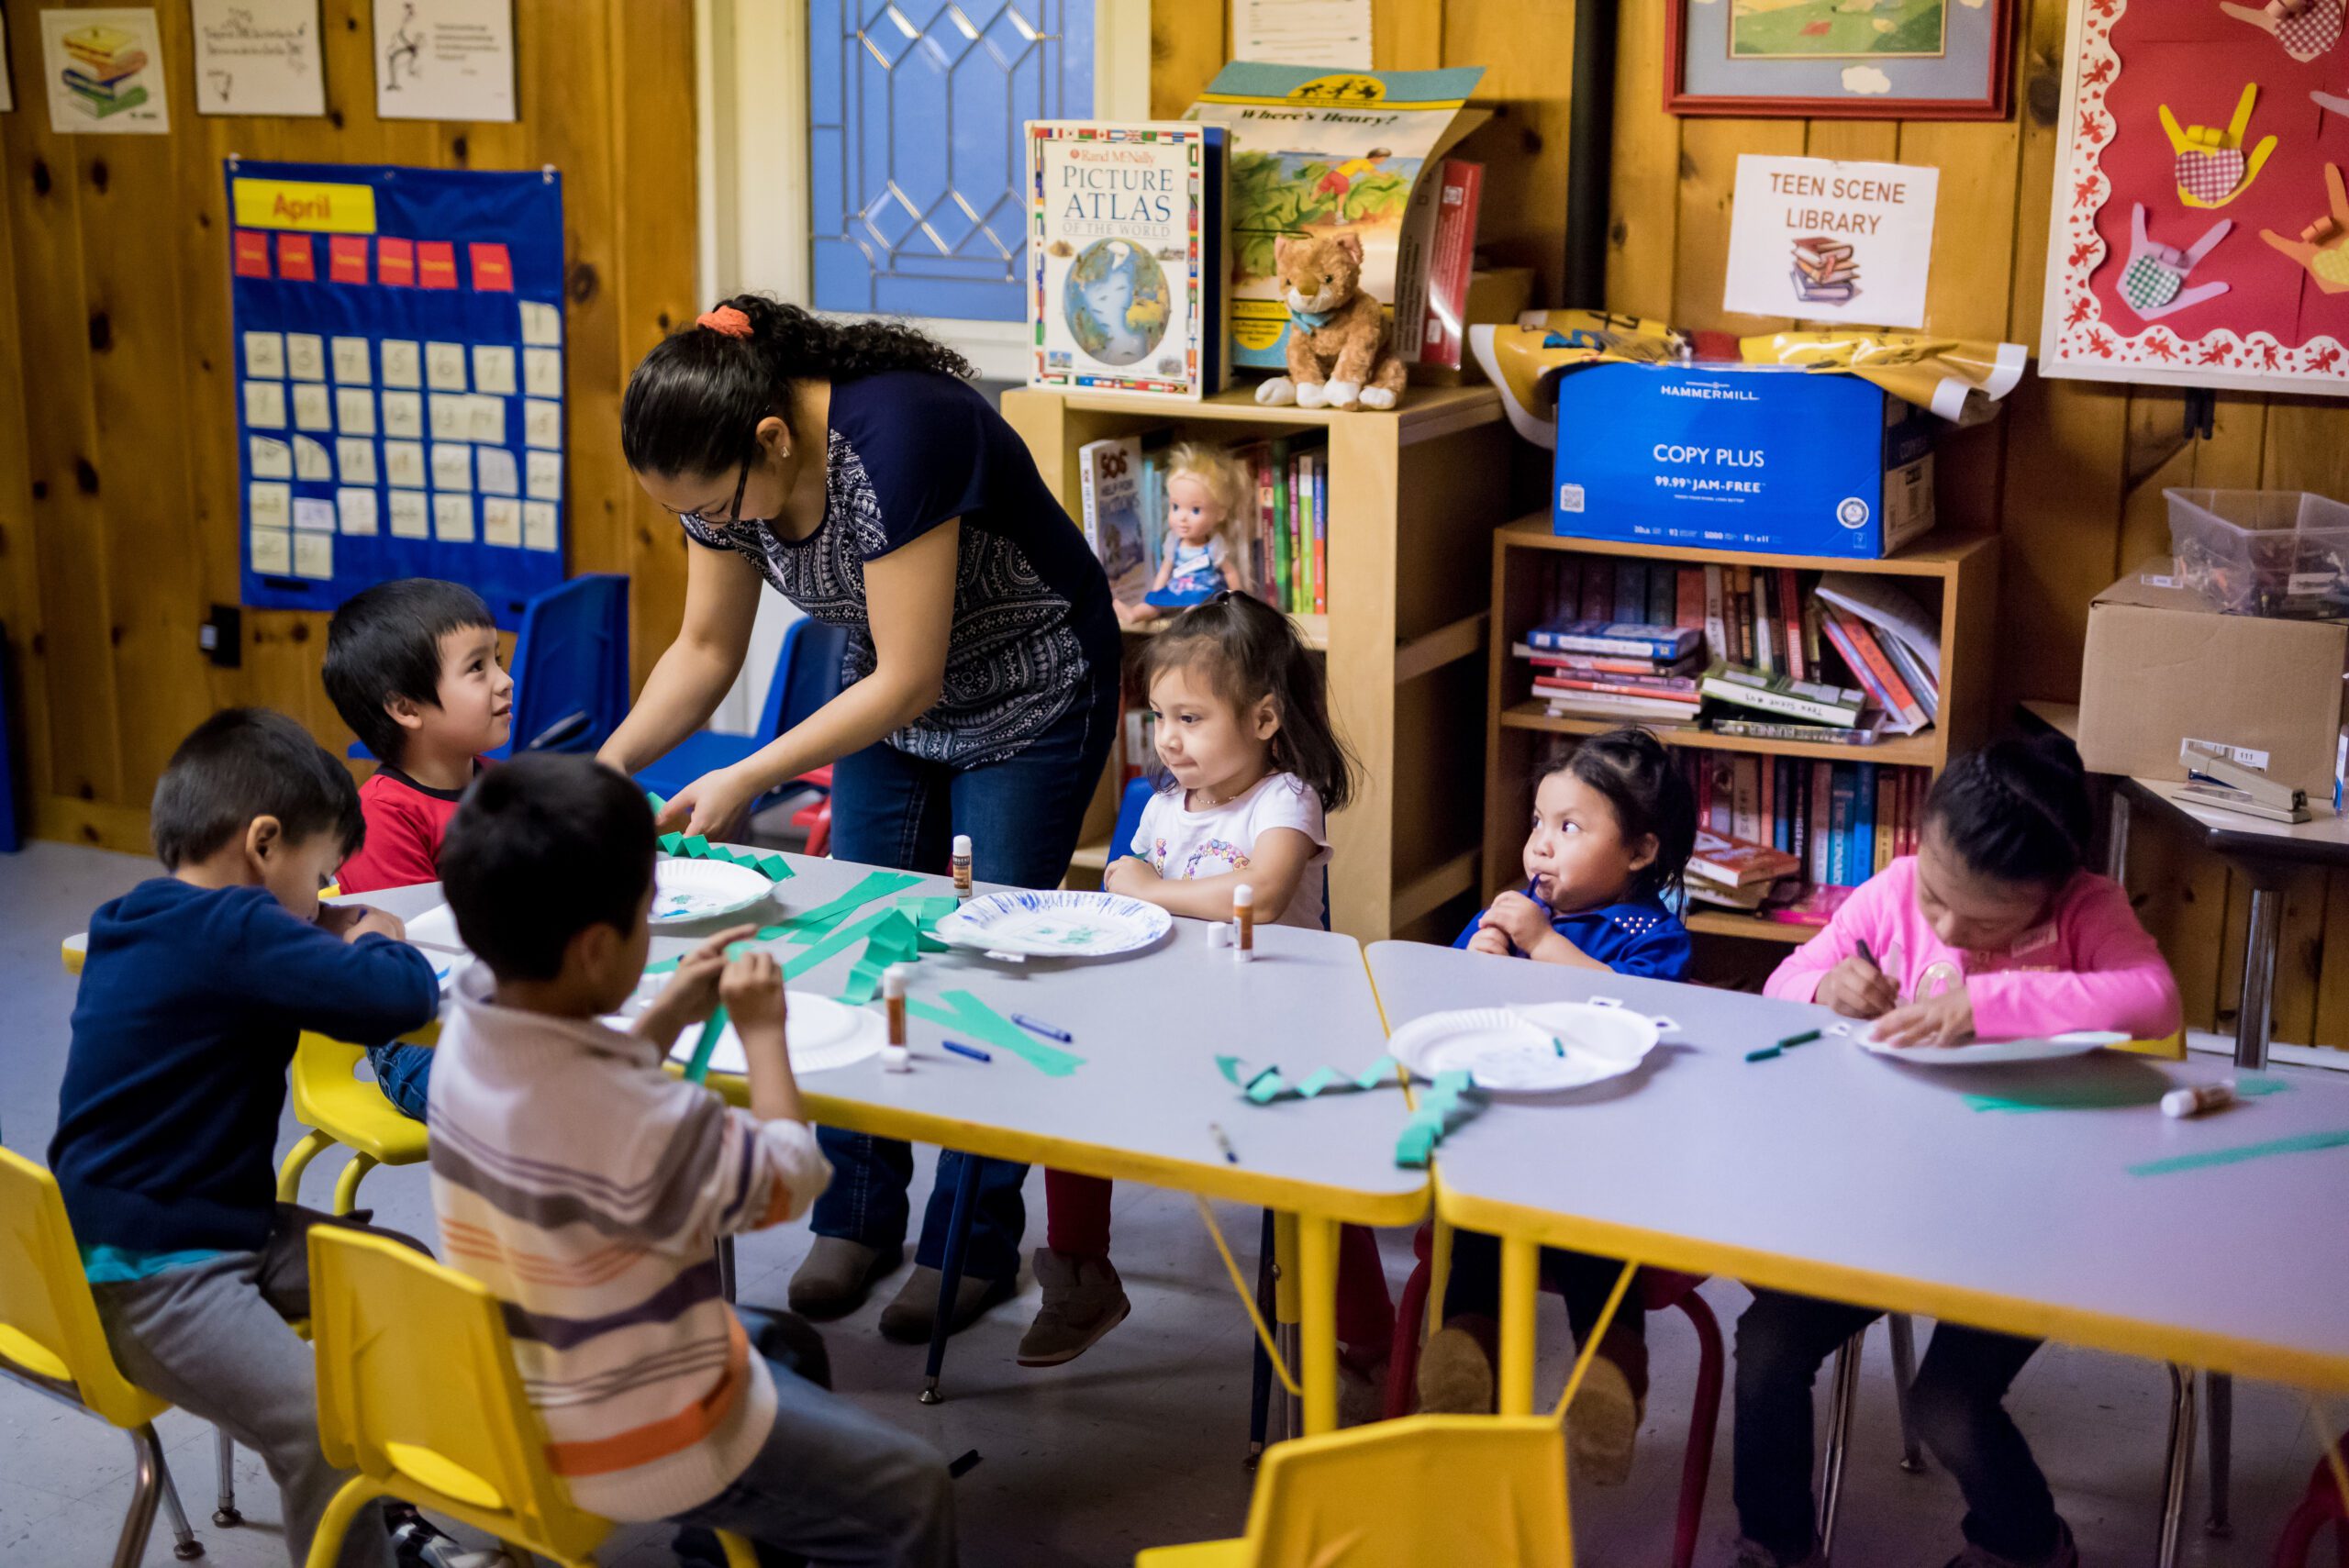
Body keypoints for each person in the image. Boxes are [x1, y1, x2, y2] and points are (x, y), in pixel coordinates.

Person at [598, 295, 1120, 1342]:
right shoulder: (725, 470)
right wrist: (600, 776)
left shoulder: (897, 433)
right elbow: (706, 651)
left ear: (773, 439)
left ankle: (967, 1241)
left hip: (1025, 690)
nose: (721, 525)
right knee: (859, 944)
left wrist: (749, 775)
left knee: (987, 962)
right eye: (695, 515)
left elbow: (913, 675)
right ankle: (858, 1207)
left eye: (721, 506)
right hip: (878, 690)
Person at [429, 755, 955, 1567]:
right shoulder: (643, 1119)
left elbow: (573, 1091)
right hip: (630, 1434)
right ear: (598, 949)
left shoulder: (466, 1021)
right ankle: (724, 1517)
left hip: (520, 1374)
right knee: (915, 1489)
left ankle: (720, 1553)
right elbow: (791, 1176)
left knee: (785, 1344)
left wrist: (667, 1014)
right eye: (649, 914)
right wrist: (763, 1032)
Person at [1731, 735, 2182, 1568]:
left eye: (1981, 920)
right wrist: (1824, 986)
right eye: (1936, 895)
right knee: (1766, 1342)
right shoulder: (1895, 889)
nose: (1943, 926)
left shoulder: (2086, 909)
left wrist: (1990, 997)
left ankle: (2024, 1543)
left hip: (2035, 1222)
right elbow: (1783, 982)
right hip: (1890, 1205)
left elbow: (2153, 998)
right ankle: (1776, 1542)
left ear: (2052, 891)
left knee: (1948, 1402)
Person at [50, 708, 441, 1568]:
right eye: (322, 874)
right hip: (156, 1275)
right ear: (264, 843)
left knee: (403, 1277)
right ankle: (358, 1530)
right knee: (316, 1430)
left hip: (187, 1229)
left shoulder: (133, 916)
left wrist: (310, 925)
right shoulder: (239, 927)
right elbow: (396, 999)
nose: (325, 897)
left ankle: (388, 1522)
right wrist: (380, 935)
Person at [1049, 593, 1393, 1390]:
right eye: (1161, 716)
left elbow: (1262, 894)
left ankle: (1374, 1332)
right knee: (1067, 1093)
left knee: (1318, 1171)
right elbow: (1124, 884)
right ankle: (1078, 1271)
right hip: (1177, 1017)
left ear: (1265, 718)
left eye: (1192, 718)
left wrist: (1146, 889)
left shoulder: (1285, 802)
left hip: (1283, 1032)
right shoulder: (1165, 806)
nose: (1168, 738)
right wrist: (1140, 886)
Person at [1416, 728, 1698, 1486]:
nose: (1540, 845)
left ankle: (1611, 1372)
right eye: (1539, 822)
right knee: (1478, 1217)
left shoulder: (1652, 935)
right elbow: (1450, 1011)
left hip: (1610, 1159)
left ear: (1639, 852)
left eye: (1569, 828)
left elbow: (1629, 1010)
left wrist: (1542, 944)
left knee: (1596, 1236)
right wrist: (1475, 965)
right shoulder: (1508, 917)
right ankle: (1466, 1353)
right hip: (1508, 1142)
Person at [322, 577, 514, 1119]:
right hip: (417, 1034)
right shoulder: (383, 816)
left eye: (496, 660)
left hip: (500, 1001)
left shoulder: (501, 786)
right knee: (551, 1089)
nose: (505, 681)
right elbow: (417, 957)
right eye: (478, 668)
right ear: (406, 708)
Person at [1118, 440, 1247, 622]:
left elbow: (1230, 572)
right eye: (1176, 507)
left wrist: (1237, 600)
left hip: (1204, 591)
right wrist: (1155, 594)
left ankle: (1189, 621)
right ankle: (1134, 614)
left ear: (1220, 513)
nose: (1182, 518)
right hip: (1176, 589)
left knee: (1199, 608)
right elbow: (1165, 570)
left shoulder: (1213, 546)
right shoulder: (1174, 542)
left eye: (1195, 510)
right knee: (1154, 605)